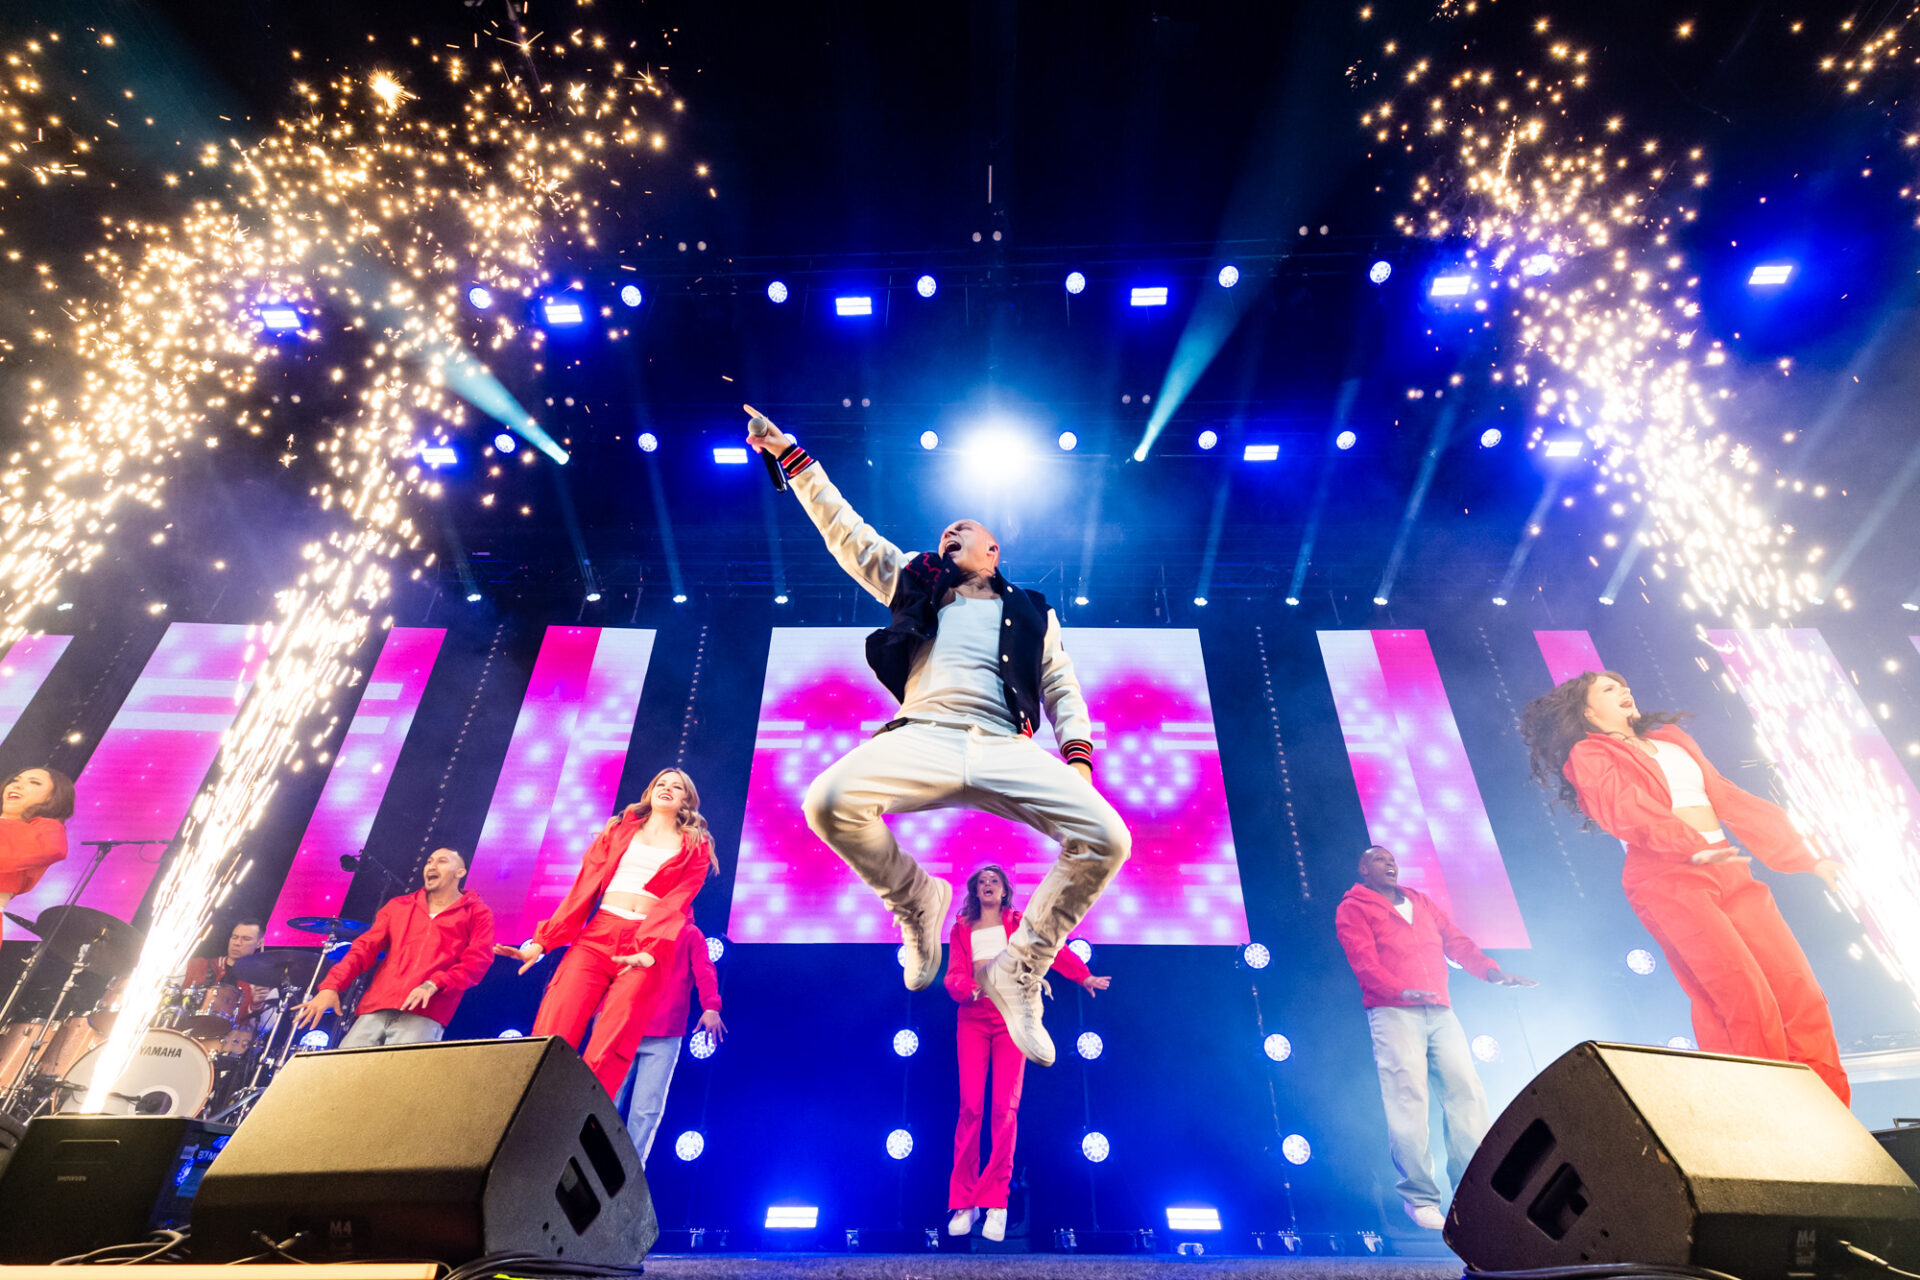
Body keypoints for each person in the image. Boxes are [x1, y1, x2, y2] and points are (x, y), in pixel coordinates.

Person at [744, 405, 1131, 1067]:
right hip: (923, 733)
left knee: (1108, 839)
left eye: (966, 529)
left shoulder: (1032, 609)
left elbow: (1061, 683)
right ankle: (917, 897)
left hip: (1008, 745)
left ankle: (1022, 967)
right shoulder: (917, 587)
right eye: (946, 530)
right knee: (827, 802)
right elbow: (847, 532)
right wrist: (792, 458)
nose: (951, 531)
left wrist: (1078, 758)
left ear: (993, 552)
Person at [1520, 670, 1849, 1103]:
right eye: (1608, 689)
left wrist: (1807, 856)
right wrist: (1691, 846)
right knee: (1743, 997)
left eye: (1624, 684)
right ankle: (1767, 1111)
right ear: (1586, 711)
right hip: (1668, 878)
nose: (1624, 689)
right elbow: (1627, 811)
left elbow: (1729, 798)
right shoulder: (1590, 754)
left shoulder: (1672, 740)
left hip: (1728, 867)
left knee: (1799, 991)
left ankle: (1829, 1111)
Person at [1335, 845, 1535, 1231]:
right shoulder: (1354, 907)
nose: (1390, 863)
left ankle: (1471, 1191)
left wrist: (1490, 972)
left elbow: (1457, 942)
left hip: (1440, 1011)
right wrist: (1399, 990)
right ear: (1362, 869)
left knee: (1467, 1092)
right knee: (1408, 1098)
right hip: (1393, 1012)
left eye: (1392, 858)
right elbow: (1362, 960)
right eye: (1379, 859)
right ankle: (1420, 1197)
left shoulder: (1420, 901)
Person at [511, 768, 718, 1098]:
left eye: (676, 787)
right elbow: (583, 890)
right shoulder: (619, 832)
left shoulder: (694, 847)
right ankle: (535, 1099)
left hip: (645, 947)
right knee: (558, 1021)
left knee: (611, 1041)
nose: (666, 789)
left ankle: (579, 1114)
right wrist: (543, 941)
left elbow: (678, 901)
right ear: (649, 792)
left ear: (685, 801)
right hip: (598, 935)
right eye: (660, 783)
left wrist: (650, 948)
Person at [944, 864, 1109, 1242]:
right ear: (975, 891)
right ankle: (964, 1203)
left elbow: (1052, 947)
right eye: (981, 881)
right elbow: (953, 973)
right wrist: (966, 987)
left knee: (1005, 1108)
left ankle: (996, 1203)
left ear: (1004, 891)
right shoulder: (961, 927)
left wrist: (1082, 975)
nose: (987, 885)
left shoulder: (1019, 923)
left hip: (1011, 1017)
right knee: (971, 1107)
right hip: (973, 1017)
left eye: (994, 881)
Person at [294, 847, 496, 1047]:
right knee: (345, 1073)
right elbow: (364, 948)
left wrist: (434, 983)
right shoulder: (399, 906)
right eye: (429, 861)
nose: (432, 866)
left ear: (460, 872)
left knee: (399, 1077)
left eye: (442, 861)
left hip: (424, 1012)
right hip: (376, 1007)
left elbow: (477, 961)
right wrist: (331, 987)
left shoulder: (477, 913)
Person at [611, 921, 725, 1164]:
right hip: (622, 1023)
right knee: (606, 1098)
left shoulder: (691, 932)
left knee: (645, 1110)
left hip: (664, 1030)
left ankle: (629, 1176)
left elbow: (704, 969)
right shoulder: (637, 922)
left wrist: (711, 1006)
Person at [0, 767, 74, 943]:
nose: (17, 786)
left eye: (34, 782)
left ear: (52, 798)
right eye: (15, 780)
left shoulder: (45, 830)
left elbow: (51, 848)